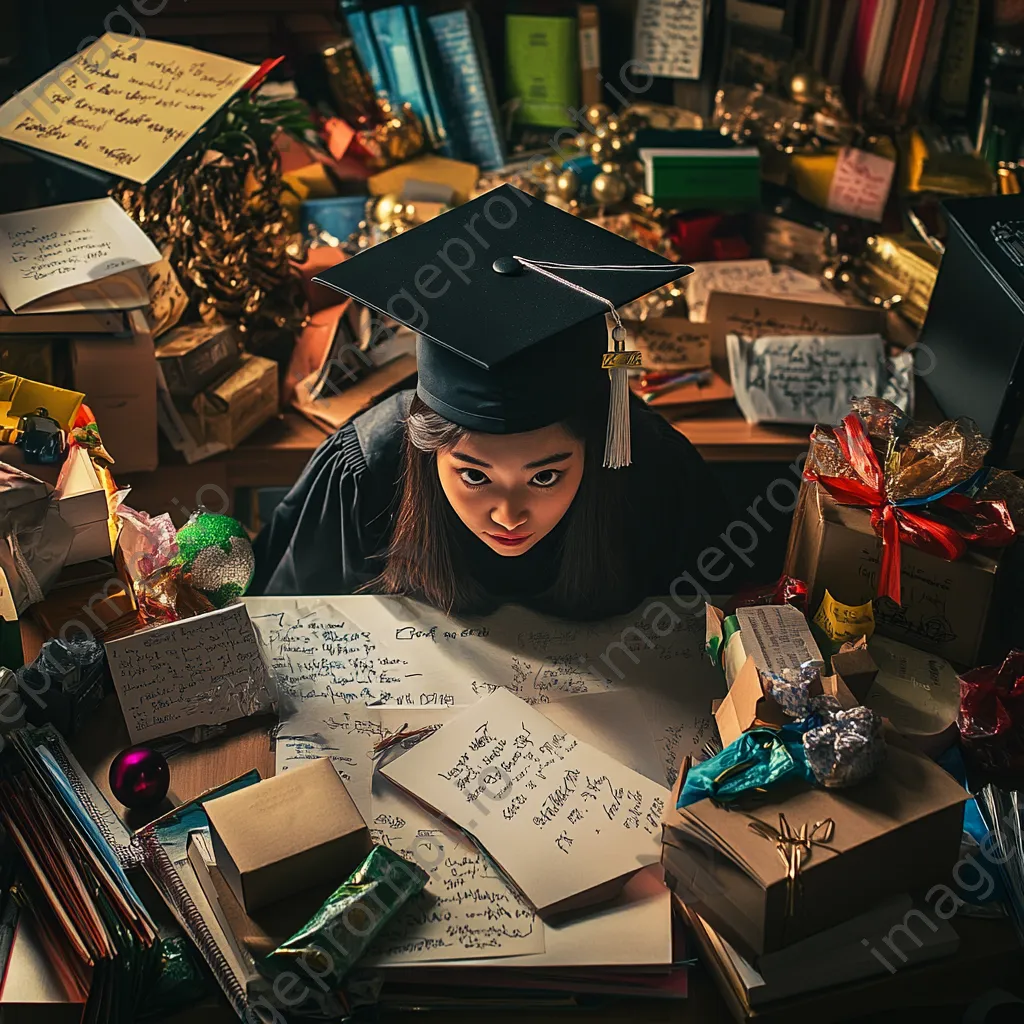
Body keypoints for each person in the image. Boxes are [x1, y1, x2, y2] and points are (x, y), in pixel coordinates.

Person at [253, 185, 728, 619]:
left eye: (545, 476)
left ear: (597, 442)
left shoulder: (651, 468)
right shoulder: (367, 472)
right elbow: (292, 628)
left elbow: (717, 624)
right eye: (474, 476)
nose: (508, 516)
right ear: (427, 449)